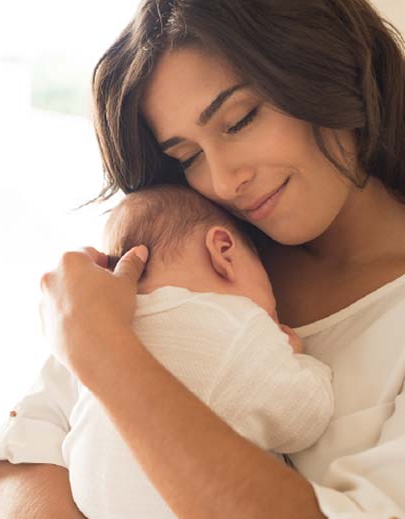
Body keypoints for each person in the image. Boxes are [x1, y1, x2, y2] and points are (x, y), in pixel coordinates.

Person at [0, 1, 405, 518]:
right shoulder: (193, 258)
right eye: (188, 157)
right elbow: (16, 461)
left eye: (240, 119)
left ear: (330, 68)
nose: (224, 182)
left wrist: (107, 354)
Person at [62, 184, 334, 519]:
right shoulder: (234, 324)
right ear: (224, 251)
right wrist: (299, 358)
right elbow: (305, 418)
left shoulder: (105, 330)